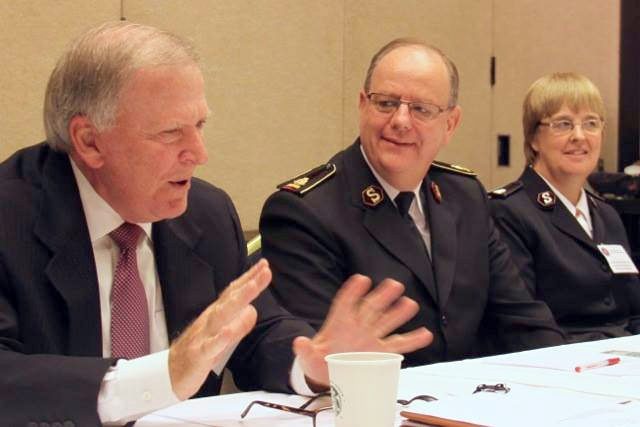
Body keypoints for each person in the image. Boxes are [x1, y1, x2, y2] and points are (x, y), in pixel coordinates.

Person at [0, 23, 432, 426]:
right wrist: (158, 377)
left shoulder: (204, 212)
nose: (199, 153)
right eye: (171, 133)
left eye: (200, 125)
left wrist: (311, 361)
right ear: (90, 141)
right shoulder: (10, 215)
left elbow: (255, 331)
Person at [259, 38, 565, 367]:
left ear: (450, 124)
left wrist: (572, 377)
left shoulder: (465, 196)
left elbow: (521, 318)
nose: (401, 121)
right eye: (386, 103)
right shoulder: (305, 212)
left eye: (421, 109)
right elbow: (320, 359)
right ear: (363, 105)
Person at [489, 72, 640, 342]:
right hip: (561, 363)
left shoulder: (607, 214)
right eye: (563, 124)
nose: (579, 136)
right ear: (534, 138)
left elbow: (634, 311)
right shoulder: (509, 212)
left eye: (591, 123)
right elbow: (523, 325)